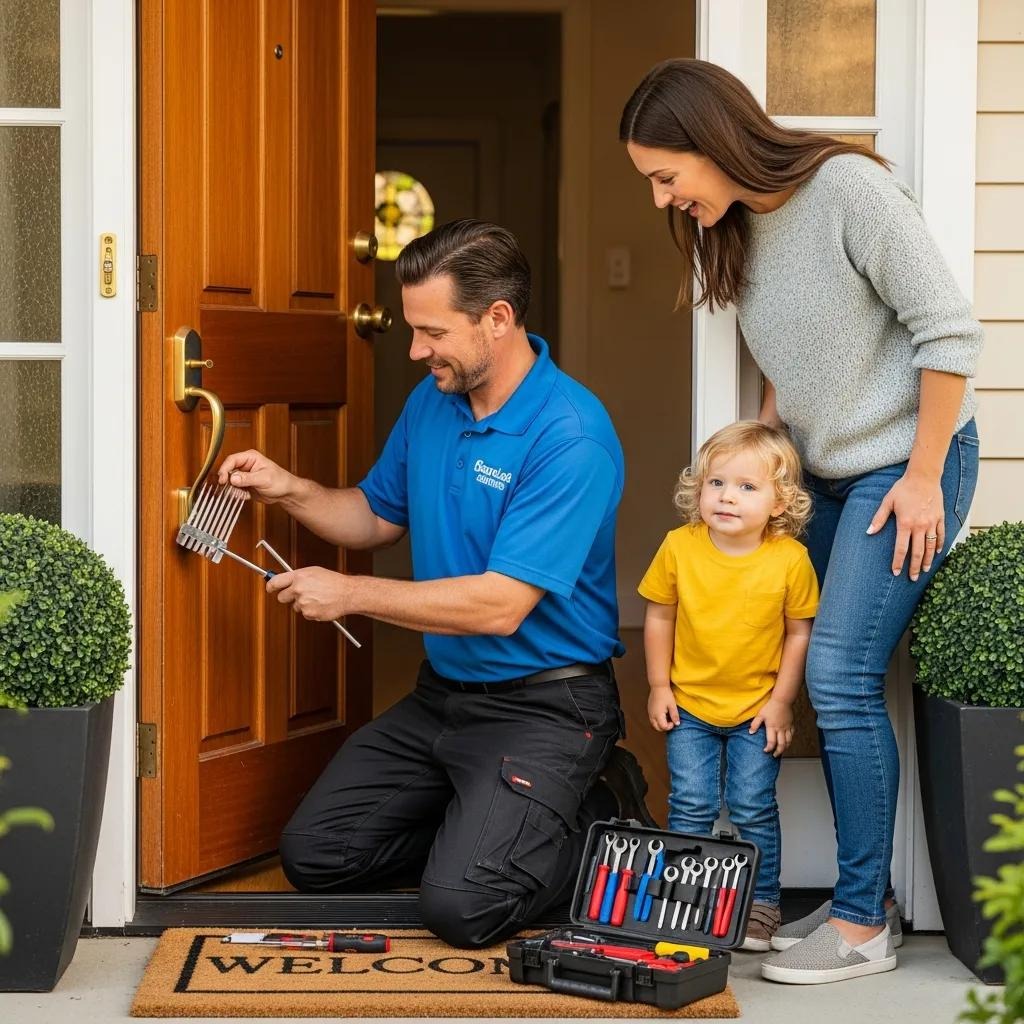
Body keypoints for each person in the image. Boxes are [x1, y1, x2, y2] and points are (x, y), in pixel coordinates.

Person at [621, 59, 982, 984]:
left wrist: (927, 476)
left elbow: (948, 332)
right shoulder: (741, 230)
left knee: (841, 674)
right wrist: (763, 456)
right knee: (772, 641)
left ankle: (862, 925)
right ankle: (861, 901)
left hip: (906, 466)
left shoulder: (846, 189)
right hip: (820, 474)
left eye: (667, 175)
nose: (664, 197)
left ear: (712, 141)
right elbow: (792, 361)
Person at [217, 219, 654, 950]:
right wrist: (288, 488)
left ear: (498, 319)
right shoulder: (433, 403)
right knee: (316, 855)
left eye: (432, 331)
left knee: (463, 909)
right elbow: (373, 517)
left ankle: (594, 817)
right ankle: (486, 836)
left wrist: (353, 595)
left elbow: (501, 605)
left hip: (547, 705)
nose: (416, 350)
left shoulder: (569, 435)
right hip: (443, 698)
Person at [640, 421, 818, 952]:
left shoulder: (790, 560)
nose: (727, 497)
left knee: (752, 807)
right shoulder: (680, 547)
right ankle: (682, 901)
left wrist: (783, 702)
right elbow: (659, 617)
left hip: (756, 710)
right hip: (690, 704)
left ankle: (761, 905)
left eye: (747, 487)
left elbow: (798, 632)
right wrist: (657, 685)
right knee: (690, 804)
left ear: (779, 502)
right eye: (716, 483)